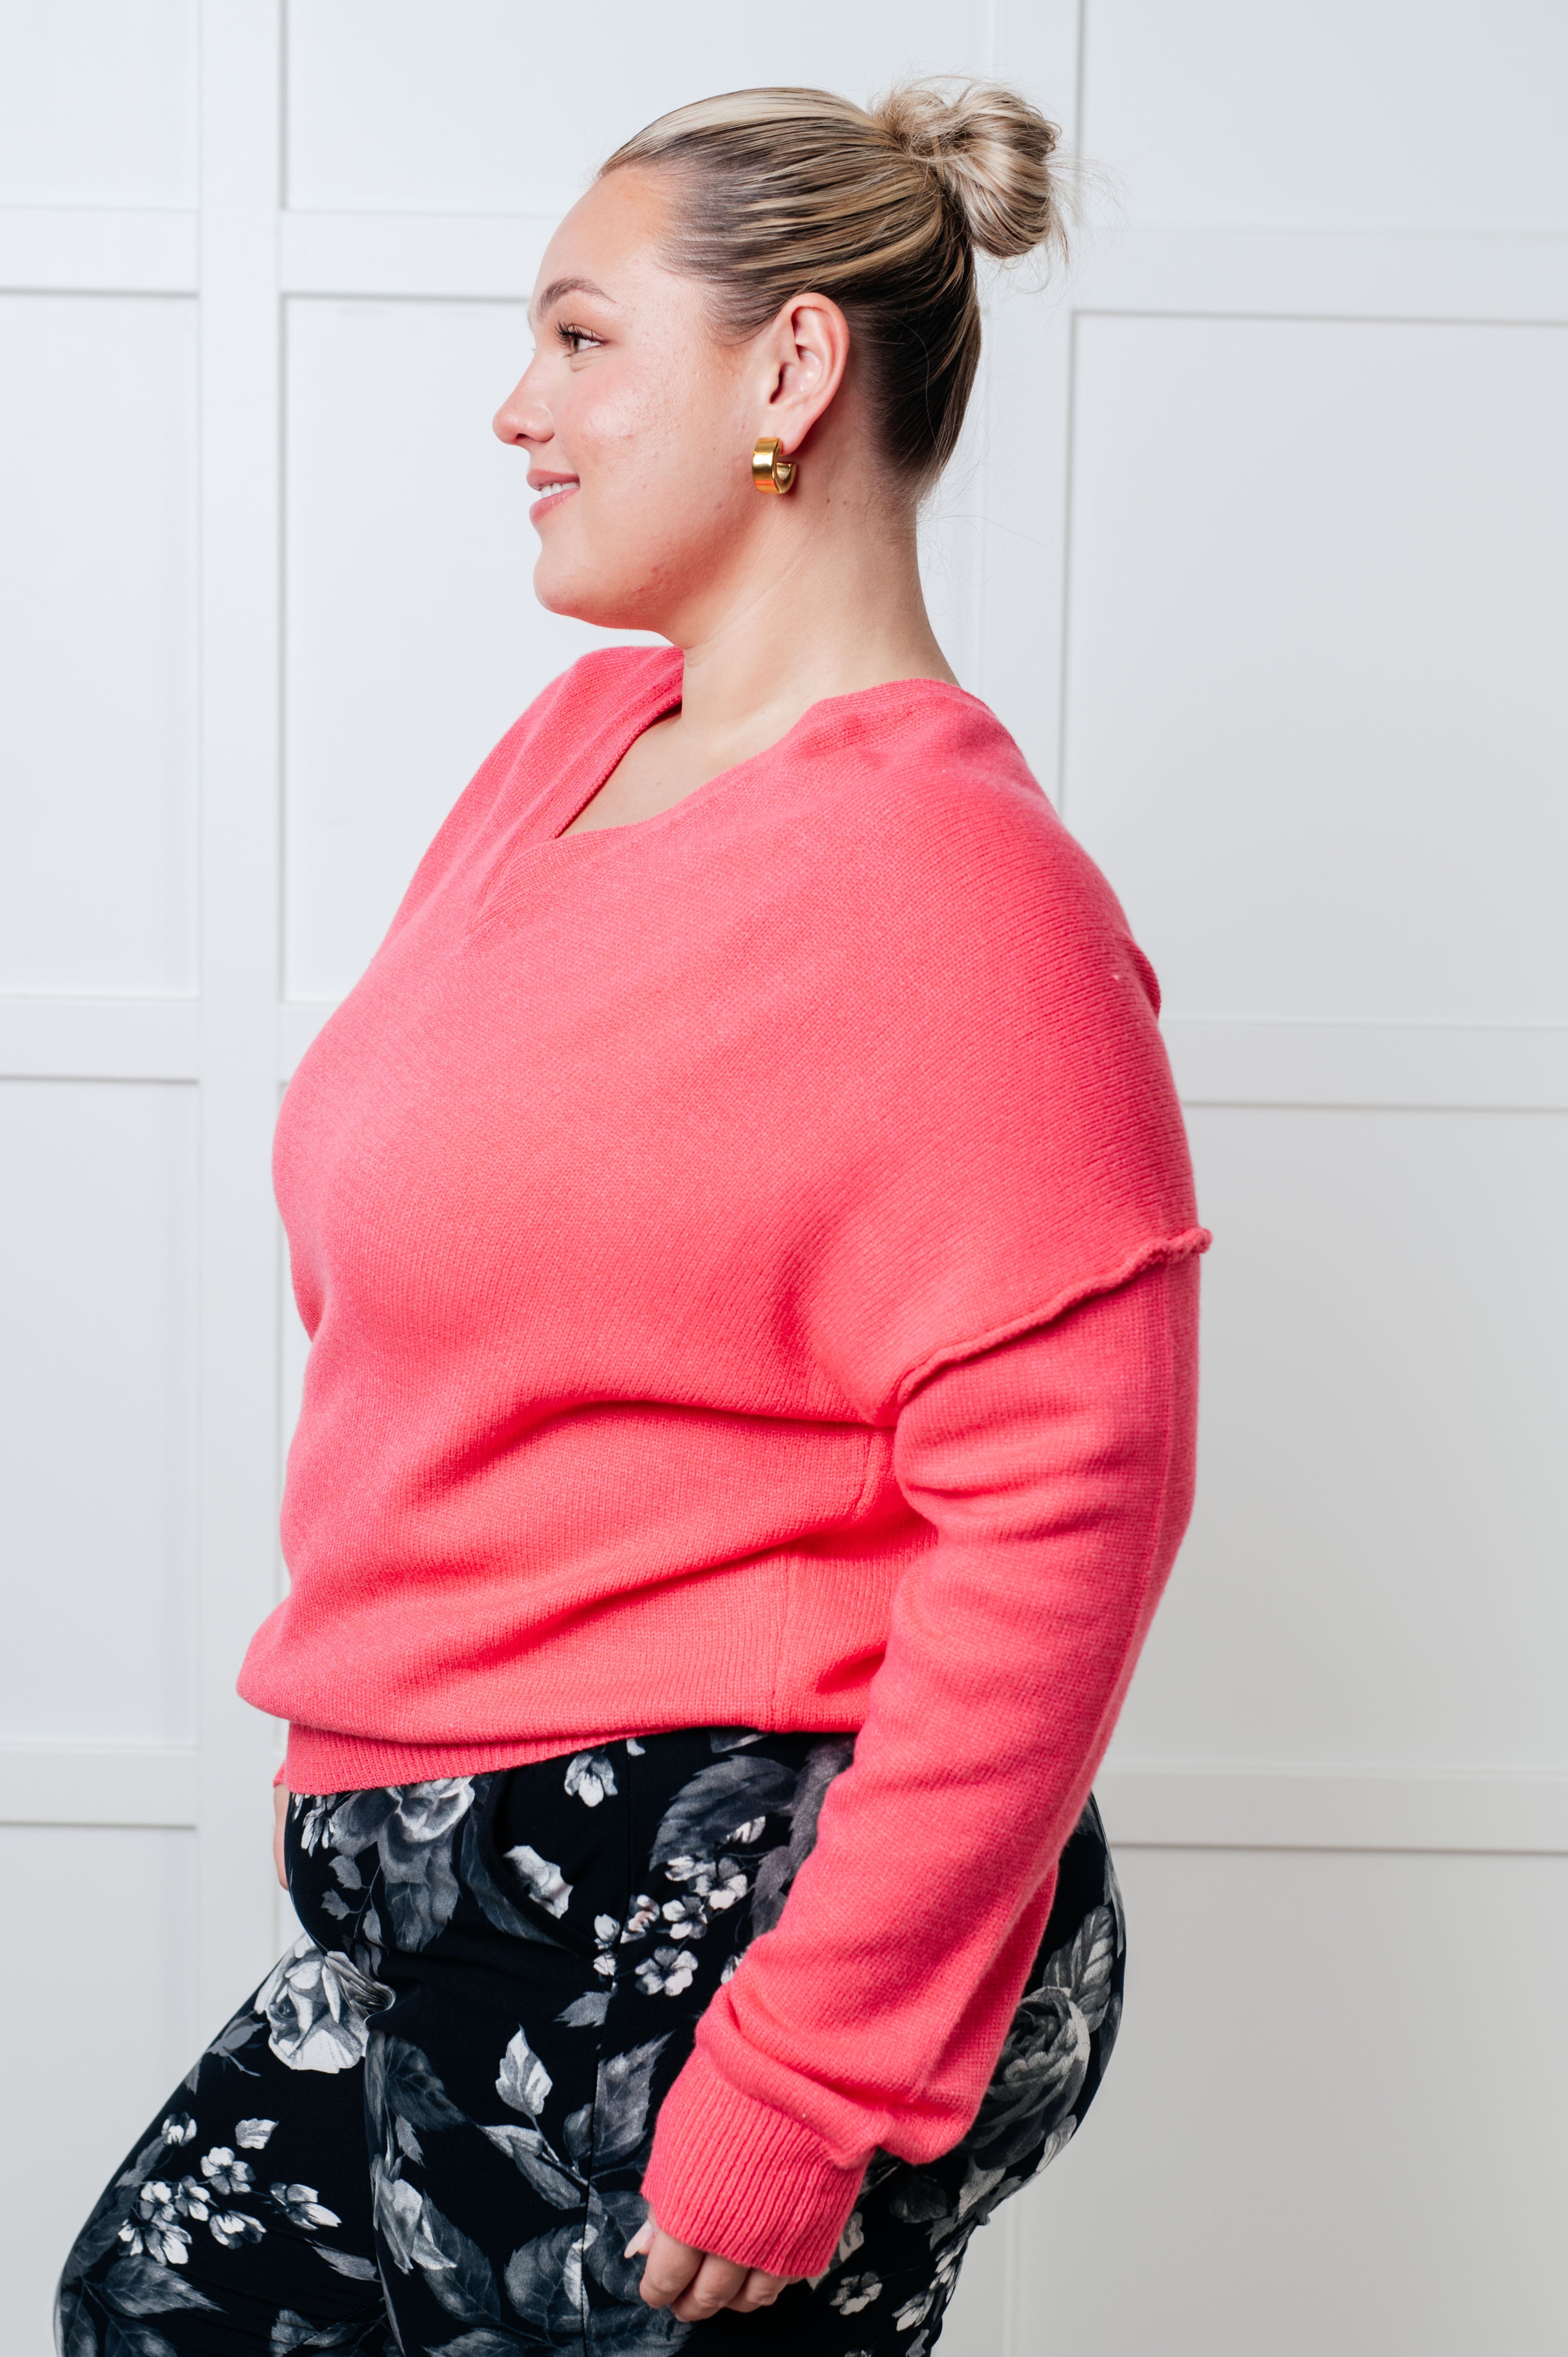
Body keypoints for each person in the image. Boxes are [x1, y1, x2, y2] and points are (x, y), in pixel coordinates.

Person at [59, 78, 1206, 2357]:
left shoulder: (962, 896)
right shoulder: (572, 749)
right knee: (158, 2302)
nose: (519, 407)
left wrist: (809, 2077)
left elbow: (1072, 1508)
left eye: (582, 340)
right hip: (445, 1896)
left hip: (714, 1910)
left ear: (791, 373)